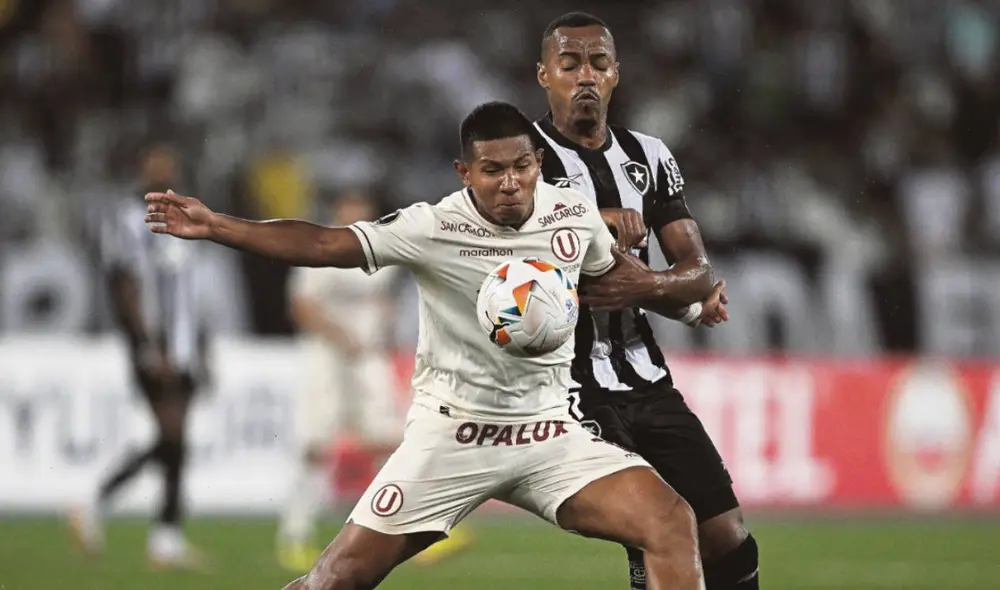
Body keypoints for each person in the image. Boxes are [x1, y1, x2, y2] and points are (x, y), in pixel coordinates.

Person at [144, 101, 708, 590]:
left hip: (550, 434)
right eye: (492, 170)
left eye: (520, 167)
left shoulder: (574, 215)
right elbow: (323, 242)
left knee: (669, 520)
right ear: (465, 172)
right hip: (454, 437)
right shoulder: (433, 227)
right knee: (337, 580)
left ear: (538, 163)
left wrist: (687, 303)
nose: (509, 182)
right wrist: (217, 225)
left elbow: (617, 280)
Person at [532, 12, 758, 590]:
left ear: (615, 75)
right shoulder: (522, 159)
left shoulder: (650, 155)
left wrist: (650, 287)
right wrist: (587, 223)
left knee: (727, 535)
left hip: (645, 379)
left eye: (598, 63)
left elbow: (699, 273)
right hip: (570, 384)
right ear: (544, 76)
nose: (586, 74)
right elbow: (501, 250)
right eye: (571, 63)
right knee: (653, 529)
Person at [70, 141, 209, 570]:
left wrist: (201, 346)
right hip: (156, 347)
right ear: (143, 168)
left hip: (184, 346)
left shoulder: (185, 216)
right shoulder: (130, 219)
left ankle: (163, 538)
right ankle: (97, 505)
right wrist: (149, 343)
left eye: (170, 163)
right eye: (156, 164)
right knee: (172, 437)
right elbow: (125, 283)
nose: (164, 171)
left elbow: (189, 293)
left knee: (175, 442)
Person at [277, 190, 403, 572]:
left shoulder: (382, 255)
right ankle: (294, 534)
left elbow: (385, 302)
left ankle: (404, 529)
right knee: (317, 445)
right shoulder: (320, 250)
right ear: (337, 213)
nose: (357, 217)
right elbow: (301, 306)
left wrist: (379, 330)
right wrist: (340, 335)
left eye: (363, 210)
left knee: (388, 440)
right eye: (350, 209)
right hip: (327, 356)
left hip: (368, 356)